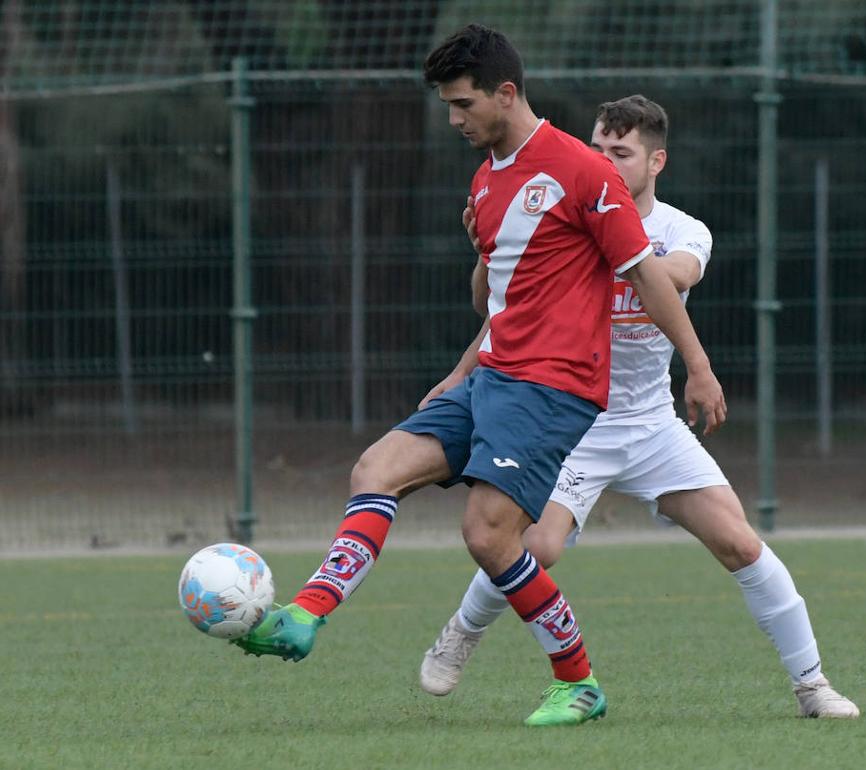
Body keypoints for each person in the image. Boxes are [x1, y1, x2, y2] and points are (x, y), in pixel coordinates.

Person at [233, 25, 727, 728]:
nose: (454, 119)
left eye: (463, 104)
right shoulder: (488, 177)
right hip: (492, 375)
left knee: (488, 536)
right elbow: (494, 296)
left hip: (554, 387)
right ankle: (305, 616)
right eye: (448, 106)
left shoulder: (581, 170)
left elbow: (646, 276)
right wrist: (459, 368)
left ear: (506, 92)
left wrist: (700, 369)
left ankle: (578, 682)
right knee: (378, 467)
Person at [416, 95, 859, 719]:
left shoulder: (681, 229)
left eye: (620, 153)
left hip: (652, 425)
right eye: (597, 148)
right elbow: (496, 308)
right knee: (534, 547)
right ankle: (463, 630)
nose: (604, 161)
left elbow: (675, 273)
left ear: (656, 161)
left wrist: (618, 256)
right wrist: (487, 264)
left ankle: (813, 686)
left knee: (740, 543)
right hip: (573, 418)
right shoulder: (565, 217)